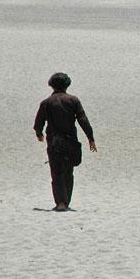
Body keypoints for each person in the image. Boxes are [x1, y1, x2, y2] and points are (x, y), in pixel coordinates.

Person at [33, 72, 97, 212]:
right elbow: (83, 119)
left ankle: (61, 202)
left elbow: (39, 122)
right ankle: (66, 202)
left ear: (51, 85)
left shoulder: (46, 103)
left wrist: (39, 134)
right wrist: (90, 138)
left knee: (56, 173)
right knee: (68, 171)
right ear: (67, 84)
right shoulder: (73, 100)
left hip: (54, 142)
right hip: (70, 142)